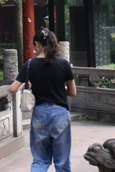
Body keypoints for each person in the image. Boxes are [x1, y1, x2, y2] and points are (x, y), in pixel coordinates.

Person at [9, 29, 77, 172]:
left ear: (37, 44)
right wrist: (58, 88)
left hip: (39, 113)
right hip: (60, 113)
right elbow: (72, 92)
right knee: (62, 161)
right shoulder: (63, 64)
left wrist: (27, 85)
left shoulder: (29, 65)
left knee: (40, 160)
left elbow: (12, 89)